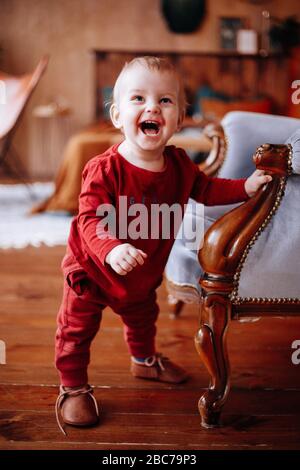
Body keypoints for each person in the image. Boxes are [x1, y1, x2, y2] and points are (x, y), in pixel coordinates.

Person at [55, 56, 272, 434]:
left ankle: (143, 360)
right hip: (91, 270)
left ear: (180, 118)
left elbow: (206, 189)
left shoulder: (180, 164)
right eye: (138, 98)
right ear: (118, 116)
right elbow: (89, 219)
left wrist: (244, 187)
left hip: (140, 273)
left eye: (165, 101)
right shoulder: (105, 170)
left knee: (143, 321)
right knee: (75, 330)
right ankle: (73, 387)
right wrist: (110, 248)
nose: (152, 107)